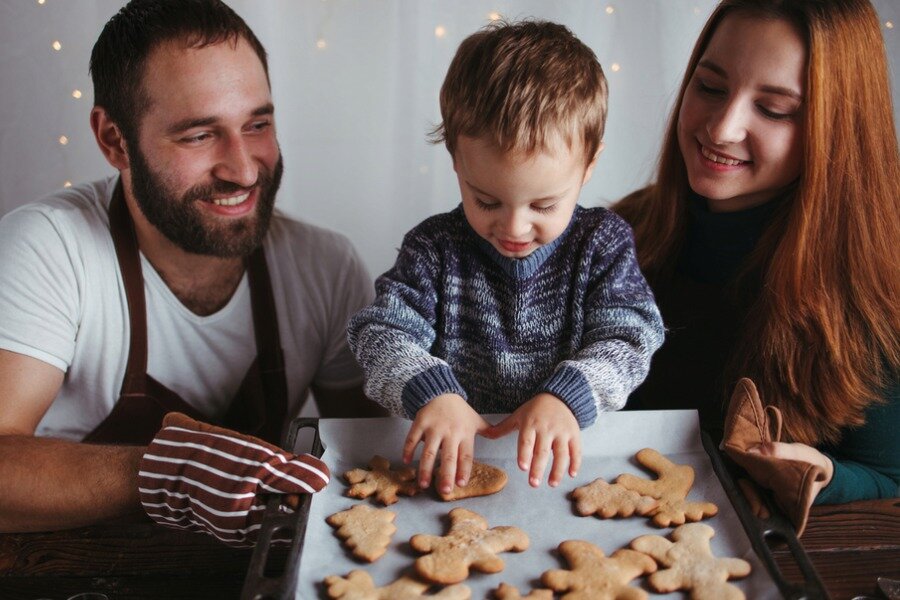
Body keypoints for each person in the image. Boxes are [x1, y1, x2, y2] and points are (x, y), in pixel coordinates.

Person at [0, 0, 383, 541]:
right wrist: (163, 473)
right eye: (199, 135)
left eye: (258, 124)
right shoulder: (46, 247)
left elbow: (371, 452)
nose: (244, 168)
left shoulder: (324, 265)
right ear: (115, 140)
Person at [348, 21, 664, 495]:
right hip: (453, 466)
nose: (514, 228)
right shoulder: (433, 249)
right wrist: (431, 391)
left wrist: (569, 396)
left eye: (543, 205)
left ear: (589, 165)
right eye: (487, 201)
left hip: (570, 465)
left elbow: (631, 337)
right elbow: (379, 334)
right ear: (457, 159)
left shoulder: (603, 244)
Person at [615, 0, 899, 504]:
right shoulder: (615, 236)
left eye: (774, 109)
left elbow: (889, 478)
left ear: (834, 131)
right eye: (710, 87)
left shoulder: (870, 294)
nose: (722, 129)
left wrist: (825, 476)